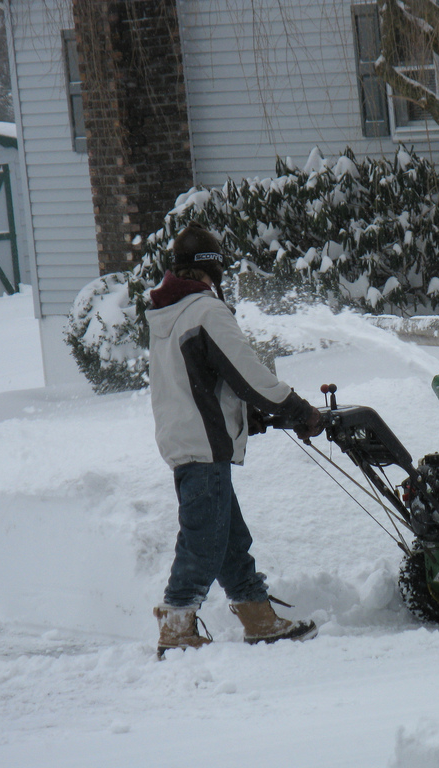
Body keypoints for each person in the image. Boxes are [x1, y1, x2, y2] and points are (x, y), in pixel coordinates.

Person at [146, 222, 322, 657]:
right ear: (212, 271)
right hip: (203, 446)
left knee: (226, 537)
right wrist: (295, 408)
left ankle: (259, 618)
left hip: (184, 439)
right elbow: (247, 373)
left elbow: (201, 380)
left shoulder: (168, 314)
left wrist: (248, 416)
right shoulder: (206, 311)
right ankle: (176, 626)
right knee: (204, 539)